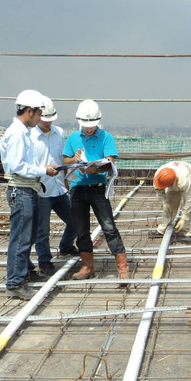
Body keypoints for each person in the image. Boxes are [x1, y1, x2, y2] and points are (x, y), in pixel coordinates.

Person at [62, 99, 129, 287]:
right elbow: (65, 160)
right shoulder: (73, 137)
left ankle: (122, 268)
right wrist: (74, 159)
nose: (89, 129)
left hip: (97, 189)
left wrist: (95, 169)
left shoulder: (106, 137)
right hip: (78, 189)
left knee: (109, 227)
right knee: (81, 230)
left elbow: (109, 161)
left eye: (91, 126)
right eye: (86, 126)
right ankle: (87, 266)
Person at [0, 89, 58, 300]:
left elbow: (24, 164)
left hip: (27, 190)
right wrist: (43, 170)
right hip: (21, 190)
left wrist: (42, 168)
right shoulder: (17, 133)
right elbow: (17, 166)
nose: (40, 118)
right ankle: (15, 283)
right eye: (39, 114)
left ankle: (22, 274)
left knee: (27, 236)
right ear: (30, 111)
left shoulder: (22, 132)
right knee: (21, 239)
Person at [31, 96, 79, 277]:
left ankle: (66, 246)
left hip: (59, 187)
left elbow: (63, 158)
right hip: (41, 190)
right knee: (42, 229)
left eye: (51, 119)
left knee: (75, 220)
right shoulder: (31, 136)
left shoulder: (59, 132)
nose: (48, 122)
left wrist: (71, 167)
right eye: (45, 119)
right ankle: (44, 261)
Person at [153, 160, 191, 240]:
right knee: (169, 205)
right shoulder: (158, 176)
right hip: (175, 178)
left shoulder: (184, 181)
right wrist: (165, 202)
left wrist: (183, 218)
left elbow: (188, 200)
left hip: (190, 175)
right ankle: (163, 228)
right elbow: (158, 190)